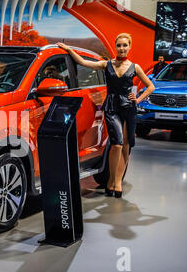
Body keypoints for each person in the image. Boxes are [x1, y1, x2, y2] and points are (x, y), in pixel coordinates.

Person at [57, 33, 155, 198]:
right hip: (111, 107)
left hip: (129, 108)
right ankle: (111, 179)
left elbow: (150, 86)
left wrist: (137, 99)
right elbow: (83, 62)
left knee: (126, 145)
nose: (122, 48)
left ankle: (117, 182)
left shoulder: (135, 67)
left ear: (129, 47)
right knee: (116, 144)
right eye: (119, 45)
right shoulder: (106, 64)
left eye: (125, 45)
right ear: (115, 47)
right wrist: (68, 49)